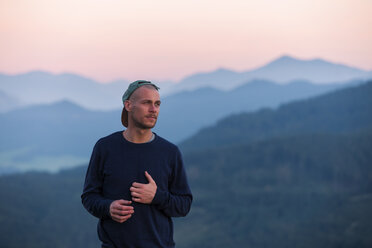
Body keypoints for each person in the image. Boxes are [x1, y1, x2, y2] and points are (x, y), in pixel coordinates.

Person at [81, 80, 193, 248]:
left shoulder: (170, 152)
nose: (153, 109)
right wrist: (108, 207)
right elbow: (89, 197)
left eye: (157, 104)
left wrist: (157, 196)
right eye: (146, 103)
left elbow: (184, 205)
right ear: (128, 105)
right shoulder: (105, 148)